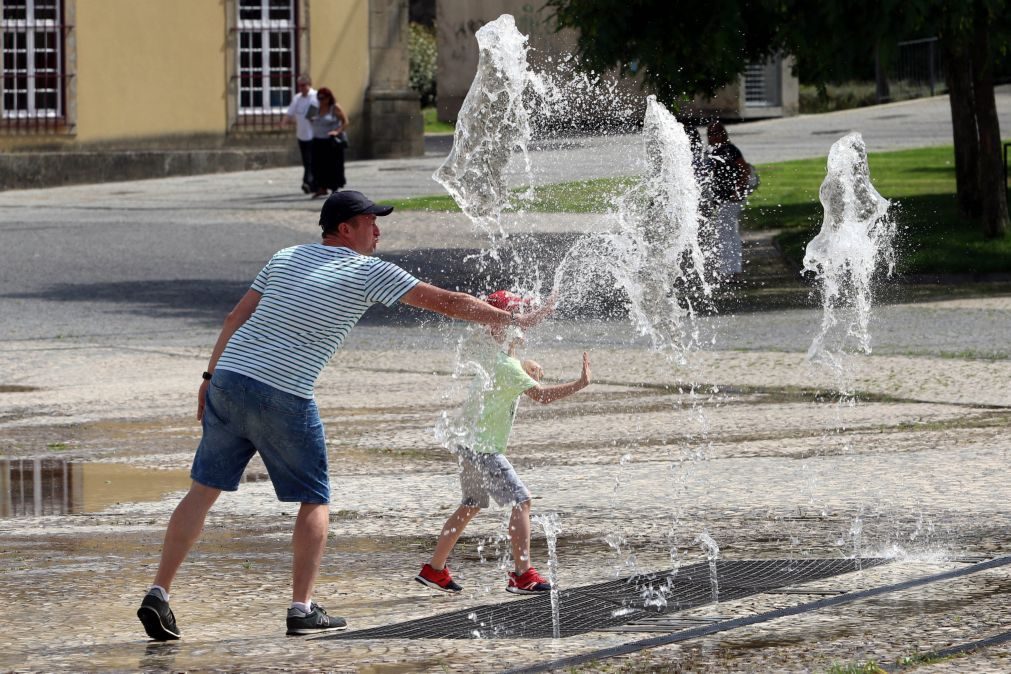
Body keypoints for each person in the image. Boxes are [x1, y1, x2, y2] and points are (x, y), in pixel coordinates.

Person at [135, 191, 555, 642]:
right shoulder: (366, 269)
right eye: (370, 222)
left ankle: (159, 591)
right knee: (314, 498)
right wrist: (513, 319)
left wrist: (208, 377)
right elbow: (447, 301)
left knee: (202, 491)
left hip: (231, 379)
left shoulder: (286, 256)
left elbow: (237, 316)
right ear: (344, 228)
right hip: (284, 390)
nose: (377, 231)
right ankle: (302, 609)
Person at [415, 290, 591, 595]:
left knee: (470, 505)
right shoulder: (508, 368)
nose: (520, 325)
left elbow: (508, 364)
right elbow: (542, 396)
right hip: (484, 448)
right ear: (500, 323)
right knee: (522, 501)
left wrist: (525, 361)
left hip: (468, 444)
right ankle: (523, 575)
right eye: (515, 318)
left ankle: (435, 568)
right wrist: (579, 383)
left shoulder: (488, 353)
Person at [705, 121, 753, 278]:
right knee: (729, 232)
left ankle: (728, 270)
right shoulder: (714, 151)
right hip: (722, 199)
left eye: (715, 133)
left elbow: (745, 170)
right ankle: (732, 268)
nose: (712, 137)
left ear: (722, 133)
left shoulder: (730, 150)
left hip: (731, 199)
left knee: (724, 232)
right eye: (710, 134)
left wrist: (737, 190)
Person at [308, 87, 349, 198]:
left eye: (323, 98)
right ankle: (321, 188)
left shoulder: (334, 107)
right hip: (318, 140)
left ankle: (334, 188)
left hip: (331, 142)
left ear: (329, 98)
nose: (321, 100)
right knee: (318, 166)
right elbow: (308, 118)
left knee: (332, 166)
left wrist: (337, 131)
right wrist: (312, 119)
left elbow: (345, 122)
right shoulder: (314, 107)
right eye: (319, 98)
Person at [282, 74, 318, 194]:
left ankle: (307, 182)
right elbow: (290, 112)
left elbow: (314, 114)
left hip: (314, 134)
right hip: (302, 134)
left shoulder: (315, 96)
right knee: (306, 160)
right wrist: (284, 122)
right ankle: (310, 183)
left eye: (303, 85)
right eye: (299, 86)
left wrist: (314, 117)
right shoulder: (297, 98)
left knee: (311, 160)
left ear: (309, 85)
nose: (301, 88)